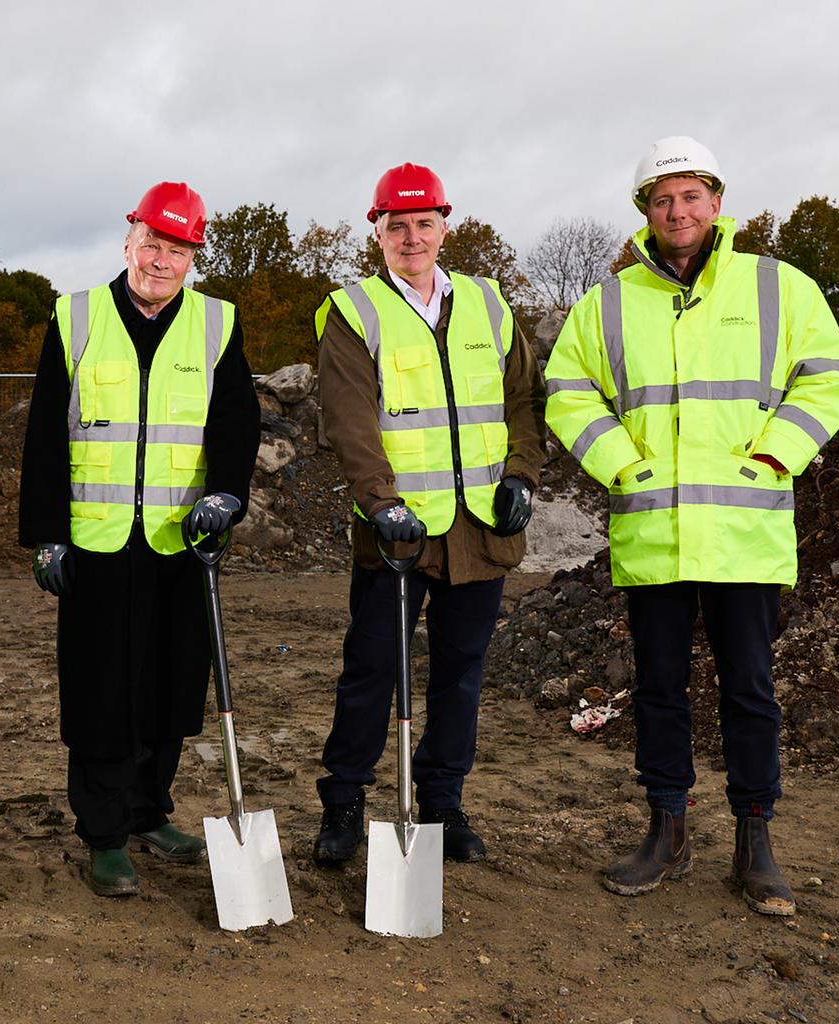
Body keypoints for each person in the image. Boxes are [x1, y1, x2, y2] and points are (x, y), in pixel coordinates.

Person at [546, 136, 839, 915]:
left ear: (716, 202)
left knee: (749, 689)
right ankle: (666, 832)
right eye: (661, 199)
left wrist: (774, 456)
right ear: (644, 211)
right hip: (653, 532)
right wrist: (622, 464)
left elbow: (826, 378)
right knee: (658, 689)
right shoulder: (608, 302)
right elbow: (567, 390)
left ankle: (755, 842)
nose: (676, 211)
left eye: (689, 196)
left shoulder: (778, 287)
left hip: (744, 533)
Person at [18, 181, 261, 896]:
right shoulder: (76, 317)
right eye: (151, 243)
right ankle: (103, 834)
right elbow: (44, 433)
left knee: (170, 686)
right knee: (100, 691)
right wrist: (47, 535)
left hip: (180, 542)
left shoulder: (216, 323)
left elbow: (236, 421)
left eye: (176, 250)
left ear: (192, 258)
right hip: (96, 545)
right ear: (128, 241)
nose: (160, 260)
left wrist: (226, 495)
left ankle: (149, 811)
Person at [310, 163, 545, 866]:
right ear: (376, 232)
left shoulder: (487, 303)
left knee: (460, 673)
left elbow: (522, 400)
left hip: (480, 528)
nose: (410, 237)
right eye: (396, 225)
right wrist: (380, 503)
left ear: (444, 226)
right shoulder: (353, 311)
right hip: (397, 535)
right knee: (371, 670)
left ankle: (442, 800)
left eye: (423, 223)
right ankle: (344, 801)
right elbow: (349, 420)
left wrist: (522, 475)